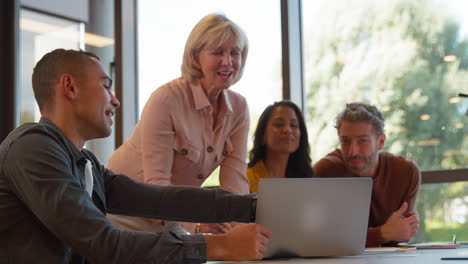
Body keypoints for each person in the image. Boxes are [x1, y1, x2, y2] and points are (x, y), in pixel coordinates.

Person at [0, 49, 272, 263]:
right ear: (69, 87)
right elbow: (103, 243)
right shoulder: (32, 148)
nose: (115, 100)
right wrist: (220, 246)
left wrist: (252, 206)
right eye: (106, 86)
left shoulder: (85, 164)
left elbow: (157, 199)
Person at [106, 13, 251, 234]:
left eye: (235, 52)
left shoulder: (239, 107)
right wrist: (197, 226)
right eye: (217, 52)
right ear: (195, 58)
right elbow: (156, 185)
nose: (228, 61)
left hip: (170, 212)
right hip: (123, 211)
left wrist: (237, 227)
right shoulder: (166, 99)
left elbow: (235, 183)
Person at [313, 102, 421, 247]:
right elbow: (322, 238)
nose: (353, 151)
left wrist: (390, 233)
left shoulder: (406, 172)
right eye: (345, 141)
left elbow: (403, 232)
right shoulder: (325, 172)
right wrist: (383, 233)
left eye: (362, 141)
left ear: (381, 142)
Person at [247, 101, 313, 193]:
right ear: (263, 135)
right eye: (279, 124)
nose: (287, 130)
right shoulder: (246, 179)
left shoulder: (305, 181)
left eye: (293, 125)